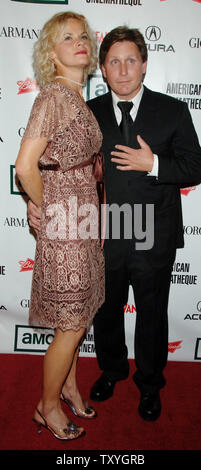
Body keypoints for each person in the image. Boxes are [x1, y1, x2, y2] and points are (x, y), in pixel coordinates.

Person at [28, 26, 201, 422]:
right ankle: (112, 370)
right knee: (105, 312)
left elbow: (195, 165)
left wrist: (153, 163)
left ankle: (151, 383)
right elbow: (53, 166)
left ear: (144, 65)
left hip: (153, 232)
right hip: (102, 231)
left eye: (131, 61)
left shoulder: (173, 110)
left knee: (153, 313)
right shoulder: (87, 112)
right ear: (102, 70)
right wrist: (33, 203)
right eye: (113, 62)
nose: (123, 70)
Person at [15, 11, 105, 441]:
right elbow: (25, 165)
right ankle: (45, 407)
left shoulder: (76, 96)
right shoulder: (53, 96)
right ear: (52, 53)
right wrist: (42, 204)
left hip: (84, 218)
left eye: (82, 35)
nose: (79, 41)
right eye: (67, 37)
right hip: (66, 222)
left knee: (81, 313)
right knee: (70, 323)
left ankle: (67, 387)